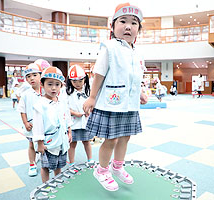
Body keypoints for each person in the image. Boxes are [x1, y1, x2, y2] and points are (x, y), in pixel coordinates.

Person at [83, 3, 148, 192]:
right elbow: (99, 73)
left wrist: (141, 93)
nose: (128, 26)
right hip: (111, 104)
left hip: (130, 105)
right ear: (112, 26)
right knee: (111, 139)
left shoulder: (136, 52)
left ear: (138, 30)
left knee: (125, 137)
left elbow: (134, 78)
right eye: (123, 21)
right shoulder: (109, 48)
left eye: (134, 23)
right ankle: (102, 170)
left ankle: (117, 166)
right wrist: (92, 97)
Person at [32, 66, 72, 183]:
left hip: (61, 139)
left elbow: (66, 117)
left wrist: (69, 131)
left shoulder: (62, 102)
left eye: (57, 84)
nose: (53, 88)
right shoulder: (40, 104)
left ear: (61, 86)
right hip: (48, 143)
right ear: (42, 85)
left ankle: (57, 182)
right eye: (49, 84)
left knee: (59, 163)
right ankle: (46, 185)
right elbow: (38, 125)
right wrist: (39, 143)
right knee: (46, 166)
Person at [17, 63, 42, 176]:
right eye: (28, 76)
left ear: (41, 75)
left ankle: (45, 162)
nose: (31, 78)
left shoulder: (46, 92)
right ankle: (32, 164)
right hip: (31, 125)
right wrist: (25, 122)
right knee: (31, 144)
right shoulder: (26, 94)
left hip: (45, 125)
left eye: (34, 75)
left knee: (45, 143)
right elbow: (22, 110)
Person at [66, 65, 93, 165]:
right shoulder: (67, 92)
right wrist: (74, 113)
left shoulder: (88, 91)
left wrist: (90, 110)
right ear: (70, 81)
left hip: (85, 122)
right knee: (72, 143)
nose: (77, 84)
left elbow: (93, 103)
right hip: (73, 123)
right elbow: (64, 107)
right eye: (74, 81)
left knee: (87, 141)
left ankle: (90, 159)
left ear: (85, 79)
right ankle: (72, 162)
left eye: (80, 81)